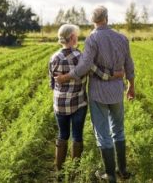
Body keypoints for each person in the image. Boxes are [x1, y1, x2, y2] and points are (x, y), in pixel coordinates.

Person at [55, 6, 135, 183]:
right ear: (106, 18)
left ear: (93, 21)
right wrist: (131, 85)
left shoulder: (92, 38)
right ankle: (122, 170)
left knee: (103, 134)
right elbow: (129, 64)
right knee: (119, 131)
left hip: (98, 93)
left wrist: (65, 77)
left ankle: (110, 175)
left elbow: (84, 67)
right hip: (116, 92)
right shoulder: (122, 38)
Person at [49, 24, 122, 176]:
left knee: (62, 135)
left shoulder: (53, 57)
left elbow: (52, 83)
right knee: (77, 135)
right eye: (77, 35)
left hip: (60, 104)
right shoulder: (81, 57)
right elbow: (98, 72)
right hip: (78, 103)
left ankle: (59, 170)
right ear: (73, 38)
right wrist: (114, 75)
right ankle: (74, 171)